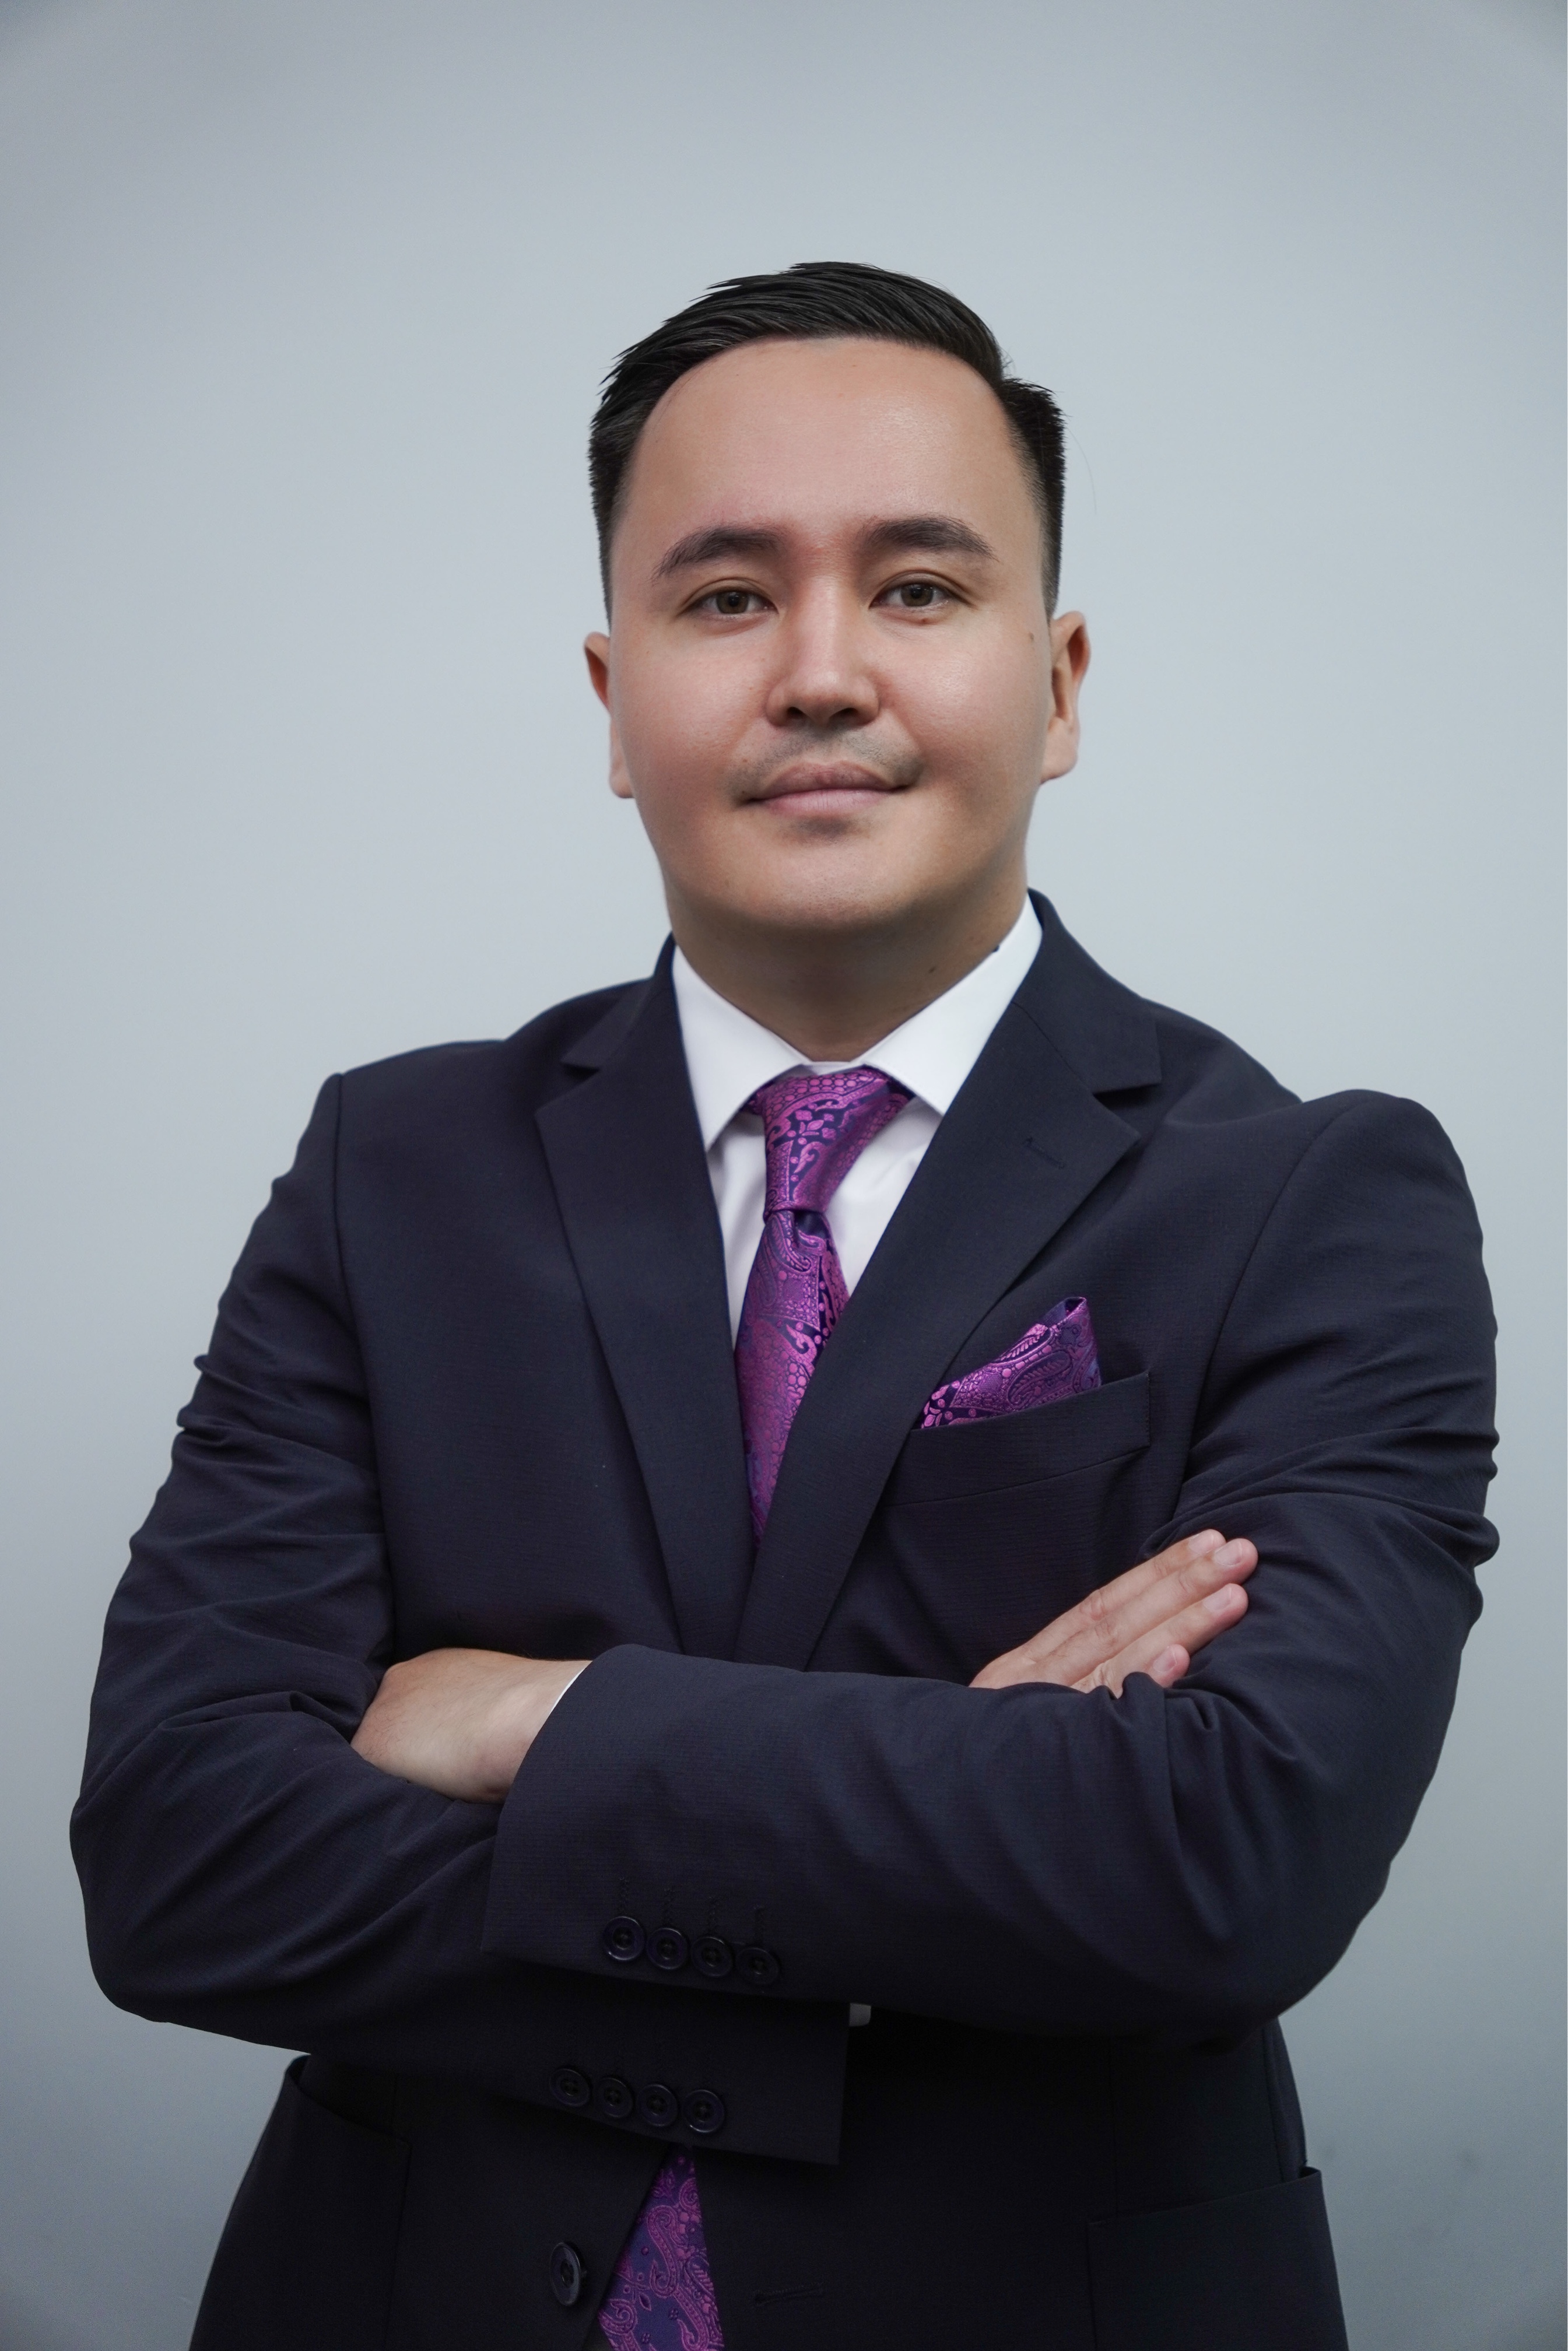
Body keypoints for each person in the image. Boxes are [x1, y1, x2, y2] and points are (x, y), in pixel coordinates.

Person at [72, 262, 1497, 2351]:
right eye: (726, 597)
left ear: (1058, 682)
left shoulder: (1315, 1198)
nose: (821, 673)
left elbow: (1227, 1864)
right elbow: (182, 1859)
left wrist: (530, 1722)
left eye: (917, 588)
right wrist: (966, 1828)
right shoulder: (394, 1170)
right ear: (612, 695)